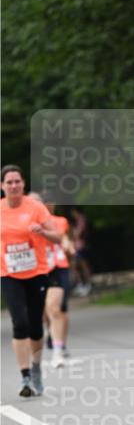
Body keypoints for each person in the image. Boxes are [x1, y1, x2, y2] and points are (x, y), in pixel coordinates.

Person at [0, 166, 62, 396]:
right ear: (2, 186)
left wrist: (43, 232)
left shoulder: (35, 207)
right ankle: (25, 377)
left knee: (36, 326)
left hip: (36, 272)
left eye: (17, 181)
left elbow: (57, 236)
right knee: (20, 323)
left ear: (23, 183)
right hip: (9, 273)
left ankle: (36, 369)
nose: (14, 185)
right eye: (9, 182)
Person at [44, 202, 74, 367]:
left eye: (50, 203)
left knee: (59, 308)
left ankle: (60, 344)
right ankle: (51, 332)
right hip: (42, 267)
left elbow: (63, 238)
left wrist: (69, 245)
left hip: (59, 266)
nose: (48, 206)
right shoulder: (31, 221)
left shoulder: (60, 220)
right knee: (46, 309)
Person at [70, 205, 93, 295]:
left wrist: (73, 232)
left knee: (81, 265)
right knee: (79, 265)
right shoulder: (81, 220)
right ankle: (84, 284)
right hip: (79, 246)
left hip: (80, 246)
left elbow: (77, 234)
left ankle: (86, 284)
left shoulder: (81, 220)